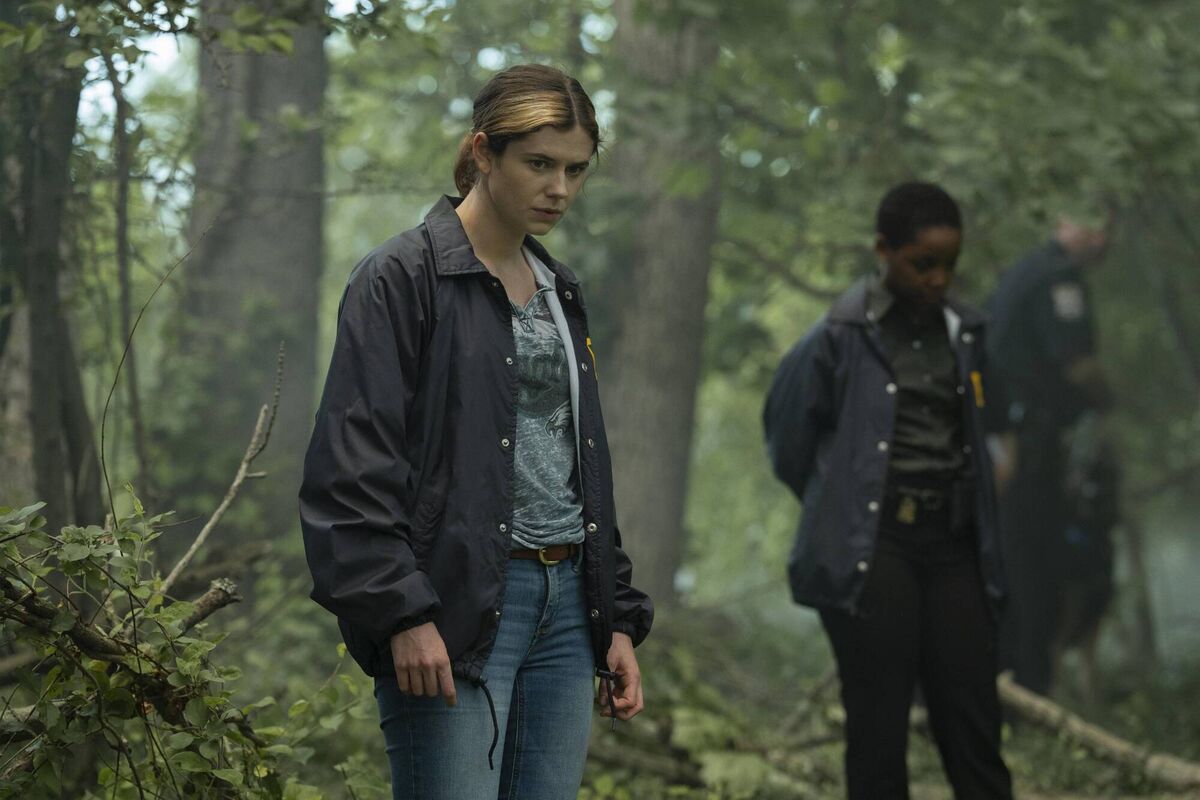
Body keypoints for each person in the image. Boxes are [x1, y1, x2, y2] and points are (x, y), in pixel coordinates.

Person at [299, 64, 653, 800]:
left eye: (576, 170)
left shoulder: (559, 289)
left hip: (568, 611)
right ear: (485, 152)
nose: (559, 189)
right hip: (453, 606)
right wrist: (401, 612)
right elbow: (350, 468)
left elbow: (577, 461)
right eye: (540, 164)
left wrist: (614, 615)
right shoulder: (401, 277)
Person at [764, 182, 1013, 800]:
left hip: (954, 544)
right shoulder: (839, 335)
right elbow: (788, 439)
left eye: (949, 264)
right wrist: (842, 502)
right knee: (878, 733)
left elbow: (986, 432)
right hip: (875, 549)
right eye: (923, 263)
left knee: (974, 722)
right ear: (884, 250)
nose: (938, 278)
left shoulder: (968, 331)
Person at [986, 217, 1114, 696]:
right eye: (1095, 227)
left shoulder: (1022, 273)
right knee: (1035, 568)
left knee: (1011, 560)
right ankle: (1026, 691)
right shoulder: (1058, 278)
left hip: (1002, 438)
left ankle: (1009, 688)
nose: (1103, 242)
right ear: (1067, 224)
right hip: (1026, 444)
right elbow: (1077, 363)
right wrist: (1108, 400)